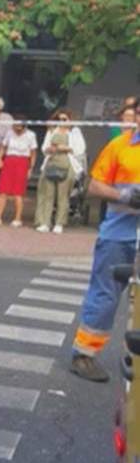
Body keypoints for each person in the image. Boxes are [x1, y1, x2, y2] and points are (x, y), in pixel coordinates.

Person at [70, 121, 140, 383]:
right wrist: (123, 196)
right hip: (118, 237)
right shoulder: (119, 147)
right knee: (106, 295)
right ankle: (83, 355)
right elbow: (94, 186)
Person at [35, 110, 87, 234]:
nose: (61, 122)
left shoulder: (75, 132)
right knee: (47, 194)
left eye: (64, 119)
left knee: (63, 196)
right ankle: (44, 222)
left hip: (67, 163)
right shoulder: (52, 131)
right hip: (51, 162)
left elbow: (80, 149)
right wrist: (50, 149)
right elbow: (44, 148)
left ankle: (59, 223)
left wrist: (66, 148)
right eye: (59, 119)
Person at [0, 116, 37, 227]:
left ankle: (17, 218)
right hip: (9, 160)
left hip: (22, 161)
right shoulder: (9, 133)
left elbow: (33, 152)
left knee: (18, 193)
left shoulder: (31, 135)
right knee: (3, 191)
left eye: (19, 127)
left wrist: (31, 168)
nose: (17, 130)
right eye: (15, 127)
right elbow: (3, 146)